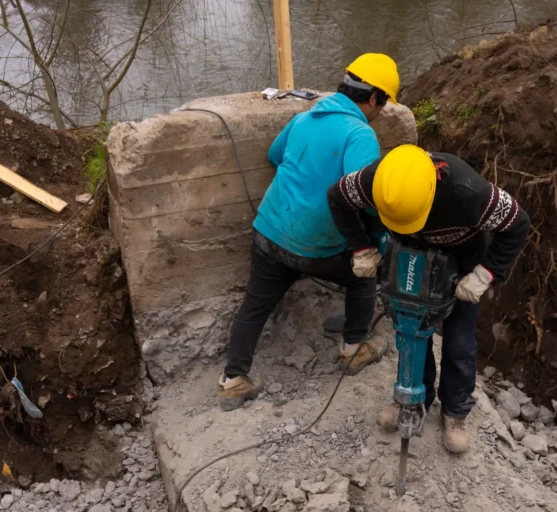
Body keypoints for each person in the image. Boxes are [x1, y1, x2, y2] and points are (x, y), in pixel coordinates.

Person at [218, 53, 400, 412]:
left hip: (270, 233)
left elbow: (274, 155)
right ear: (375, 97)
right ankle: (352, 349)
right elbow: (362, 197)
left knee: (255, 303)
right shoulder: (360, 133)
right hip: (317, 246)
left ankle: (233, 380)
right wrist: (377, 241)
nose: (380, 111)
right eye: (383, 103)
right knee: (363, 275)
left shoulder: (303, 118)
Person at [326, 144, 530, 453]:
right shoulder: (375, 181)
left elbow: (518, 224)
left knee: (459, 339)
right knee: (410, 330)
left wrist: (486, 274)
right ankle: (411, 399)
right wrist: (360, 247)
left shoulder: (469, 193)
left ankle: (456, 410)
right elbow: (336, 198)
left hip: (461, 263)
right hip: (409, 255)